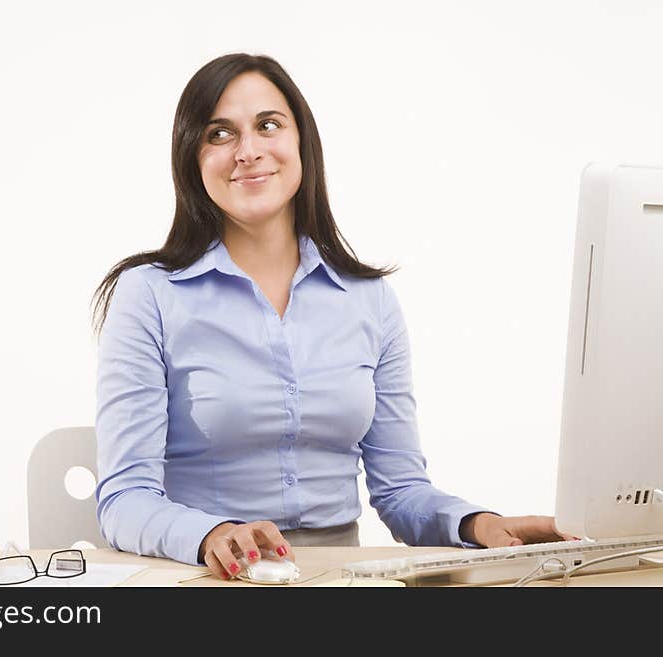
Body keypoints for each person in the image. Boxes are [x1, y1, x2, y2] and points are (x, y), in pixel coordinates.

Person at [91, 53, 575, 581]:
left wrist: (479, 524)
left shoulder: (369, 299)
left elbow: (399, 491)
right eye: (220, 134)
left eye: (268, 126)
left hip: (342, 579)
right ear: (192, 158)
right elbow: (124, 499)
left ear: (301, 144)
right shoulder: (149, 295)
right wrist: (211, 535)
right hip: (209, 577)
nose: (248, 151)